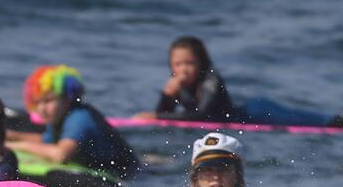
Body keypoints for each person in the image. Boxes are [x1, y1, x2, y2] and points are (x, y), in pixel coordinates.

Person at [137, 36, 341, 128]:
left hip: (256, 114)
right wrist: (167, 96)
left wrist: (156, 115)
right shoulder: (177, 85)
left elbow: (205, 116)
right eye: (177, 64)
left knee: (308, 120)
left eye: (189, 63)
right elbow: (164, 118)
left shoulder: (211, 79)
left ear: (201, 62)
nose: (183, 69)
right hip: (249, 115)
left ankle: (335, 120)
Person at [6, 65, 138, 177]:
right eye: (37, 102)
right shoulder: (60, 116)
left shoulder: (80, 118)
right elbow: (47, 141)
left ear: (68, 98)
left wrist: (15, 146)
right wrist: (10, 135)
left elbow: (61, 155)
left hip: (128, 173)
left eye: (48, 101)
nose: (42, 108)